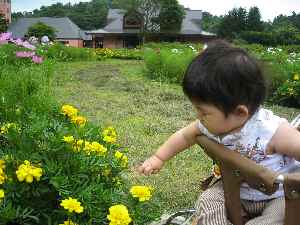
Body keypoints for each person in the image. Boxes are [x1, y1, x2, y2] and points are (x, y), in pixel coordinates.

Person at [137, 41, 300, 225]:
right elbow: (184, 136)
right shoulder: (209, 124)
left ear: (240, 112)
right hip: (233, 189)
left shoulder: (273, 131)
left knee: (278, 218)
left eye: (203, 111)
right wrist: (158, 157)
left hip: (276, 196)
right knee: (207, 201)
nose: (198, 116)